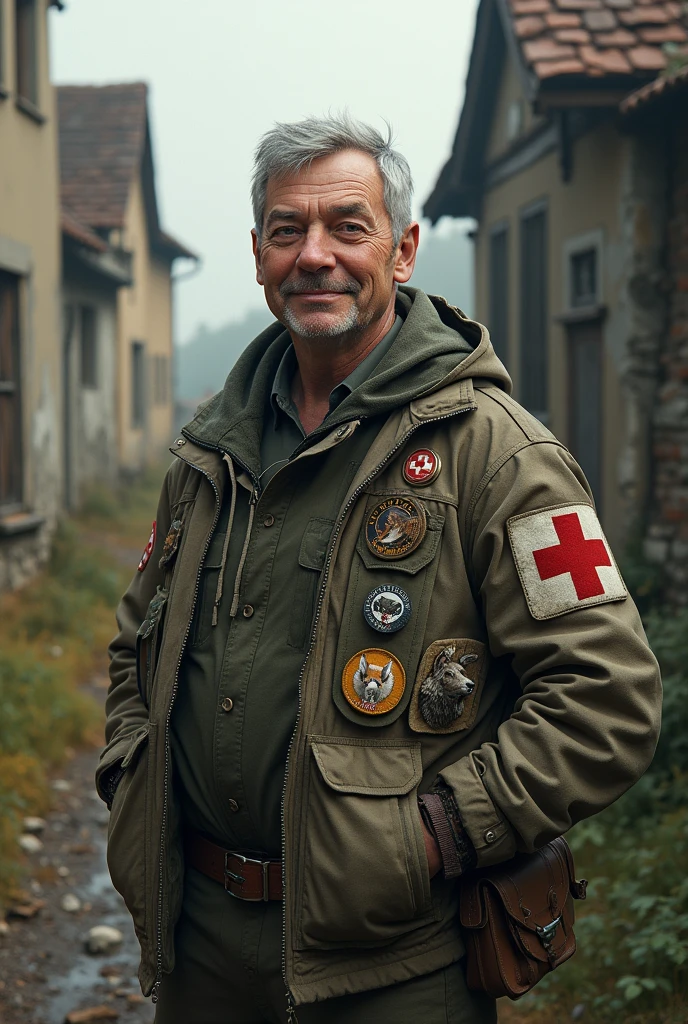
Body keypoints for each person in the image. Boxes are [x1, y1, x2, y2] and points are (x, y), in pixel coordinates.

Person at [99, 114, 662, 1024]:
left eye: (347, 228)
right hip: (198, 948)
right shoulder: (210, 454)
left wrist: (431, 837)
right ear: (256, 254)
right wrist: (132, 775)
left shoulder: (497, 453)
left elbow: (608, 696)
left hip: (396, 968)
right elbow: (136, 645)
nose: (314, 255)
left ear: (401, 251)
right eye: (288, 230)